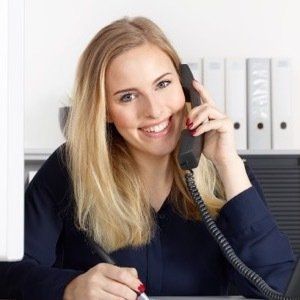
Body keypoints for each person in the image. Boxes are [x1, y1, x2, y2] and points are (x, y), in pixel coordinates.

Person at [0, 16, 296, 300]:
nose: (154, 110)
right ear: (104, 111)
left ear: (186, 87)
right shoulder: (69, 169)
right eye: (128, 96)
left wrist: (228, 163)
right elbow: (7, 274)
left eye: (163, 84)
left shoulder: (225, 174)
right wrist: (69, 288)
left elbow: (277, 287)